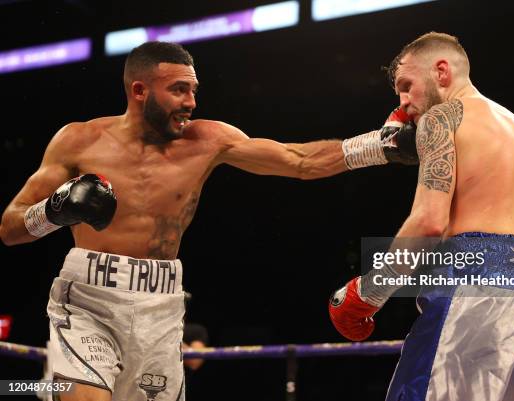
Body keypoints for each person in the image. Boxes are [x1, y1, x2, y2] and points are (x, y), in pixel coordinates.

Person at [0, 41, 418, 401]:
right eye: (179, 90)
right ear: (139, 90)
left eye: (193, 90)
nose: (191, 102)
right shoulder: (78, 140)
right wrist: (55, 210)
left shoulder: (207, 140)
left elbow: (298, 161)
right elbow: (10, 227)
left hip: (159, 308)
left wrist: (377, 146)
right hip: (86, 301)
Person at [328, 32, 514, 400]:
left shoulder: (441, 118)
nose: (403, 103)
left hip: (479, 289)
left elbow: (429, 223)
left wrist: (369, 293)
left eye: (406, 86)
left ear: (442, 71)